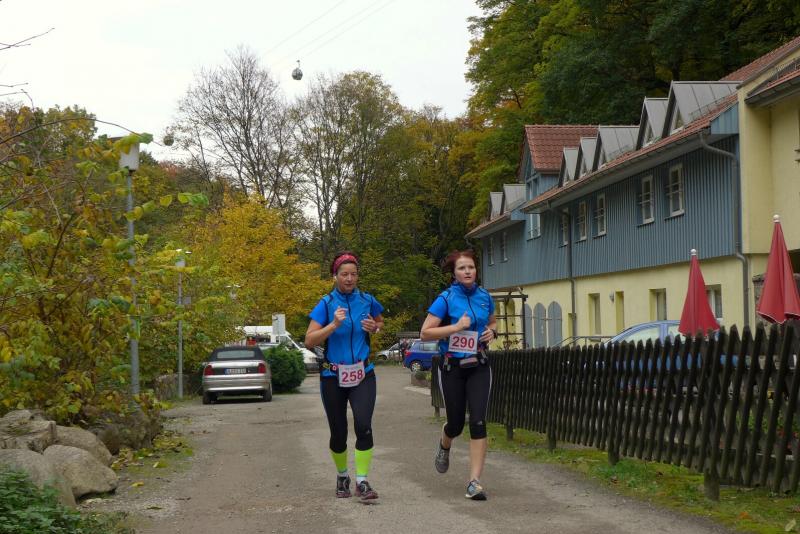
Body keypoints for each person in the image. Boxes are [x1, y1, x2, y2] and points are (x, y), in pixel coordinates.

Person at [305, 251, 385, 501]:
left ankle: (362, 480)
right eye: (344, 274)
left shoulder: (367, 300)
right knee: (338, 432)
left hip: (363, 374)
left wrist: (375, 327)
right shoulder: (326, 303)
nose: (349, 279)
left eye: (353, 274)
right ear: (335, 276)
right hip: (333, 376)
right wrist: (333, 325)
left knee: (363, 425)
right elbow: (309, 340)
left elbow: (380, 322)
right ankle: (342, 476)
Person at [420, 249, 497, 500]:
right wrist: (456, 327)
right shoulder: (445, 299)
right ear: (454, 274)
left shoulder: (485, 296)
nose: (467, 271)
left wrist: (492, 332)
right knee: (455, 424)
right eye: (462, 268)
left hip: (479, 365)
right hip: (452, 367)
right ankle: (445, 443)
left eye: (471, 267)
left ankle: (474, 482)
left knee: (478, 421)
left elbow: (492, 321)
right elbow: (425, 333)